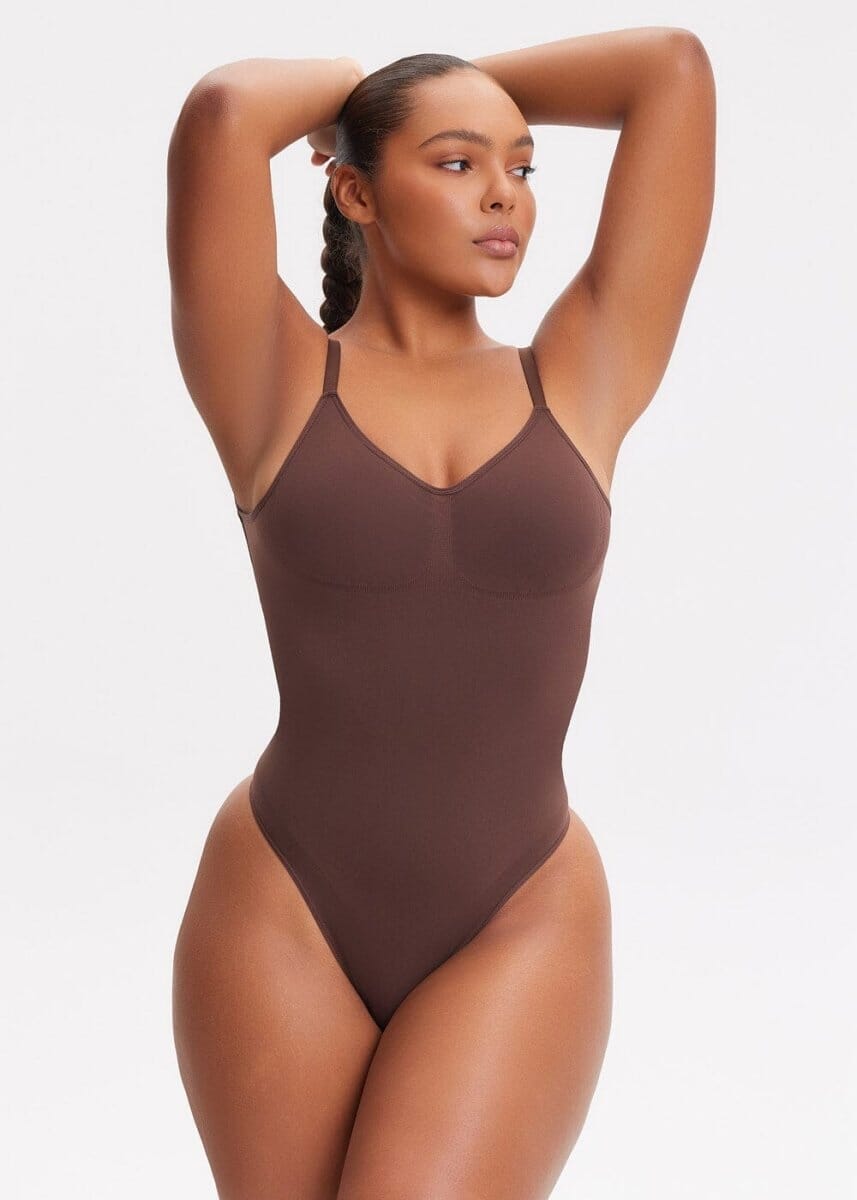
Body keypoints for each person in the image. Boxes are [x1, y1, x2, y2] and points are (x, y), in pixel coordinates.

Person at [167, 31, 715, 1200]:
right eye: (458, 163)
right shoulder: (272, 379)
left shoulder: (581, 371)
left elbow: (667, 70)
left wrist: (436, 92)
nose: (505, 194)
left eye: (521, 165)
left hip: (520, 905)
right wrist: (366, 100)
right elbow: (222, 118)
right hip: (282, 905)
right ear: (355, 192)